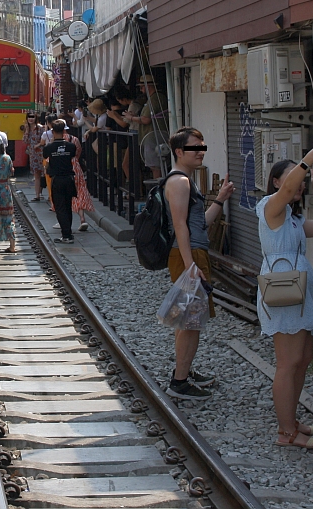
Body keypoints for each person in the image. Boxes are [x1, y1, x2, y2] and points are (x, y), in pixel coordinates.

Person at [258, 145, 313, 449]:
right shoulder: (269, 207)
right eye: (291, 177)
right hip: (283, 290)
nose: (299, 183)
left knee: (302, 359)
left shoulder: (292, 218)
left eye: (301, 178)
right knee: (287, 362)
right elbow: (292, 184)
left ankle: (291, 420)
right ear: (276, 182)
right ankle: (285, 432)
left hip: (298, 291)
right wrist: (309, 159)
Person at [164, 127, 236, 401]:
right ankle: (179, 383)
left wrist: (219, 200)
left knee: (189, 319)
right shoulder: (180, 182)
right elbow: (180, 226)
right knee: (190, 321)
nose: (201, 152)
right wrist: (190, 264)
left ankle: (184, 371)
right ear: (179, 152)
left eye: (203, 147)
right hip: (188, 255)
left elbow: (199, 225)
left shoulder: (186, 181)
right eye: (195, 147)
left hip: (192, 252)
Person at [125, 75, 169, 179]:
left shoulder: (155, 99)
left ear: (147, 86)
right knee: (156, 165)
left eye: (141, 87)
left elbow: (146, 119)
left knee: (155, 166)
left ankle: (158, 191)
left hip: (154, 136)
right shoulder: (154, 98)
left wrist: (131, 118)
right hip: (154, 135)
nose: (141, 90)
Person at [42, 120, 79, 243]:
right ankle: (68, 233)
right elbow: (73, 156)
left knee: (60, 207)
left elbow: (45, 157)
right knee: (68, 206)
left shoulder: (49, 147)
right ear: (64, 131)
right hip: (69, 178)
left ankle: (66, 235)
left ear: (52, 131)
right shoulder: (71, 146)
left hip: (56, 179)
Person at [21, 111, 45, 201]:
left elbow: (44, 139)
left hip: (41, 154)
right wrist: (27, 131)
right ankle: (37, 195)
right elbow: (25, 141)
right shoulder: (27, 129)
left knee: (44, 174)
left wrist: (38, 145)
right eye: (29, 117)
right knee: (37, 175)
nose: (31, 119)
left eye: (32, 117)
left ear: (36, 118)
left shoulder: (40, 128)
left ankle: (43, 193)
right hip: (33, 155)